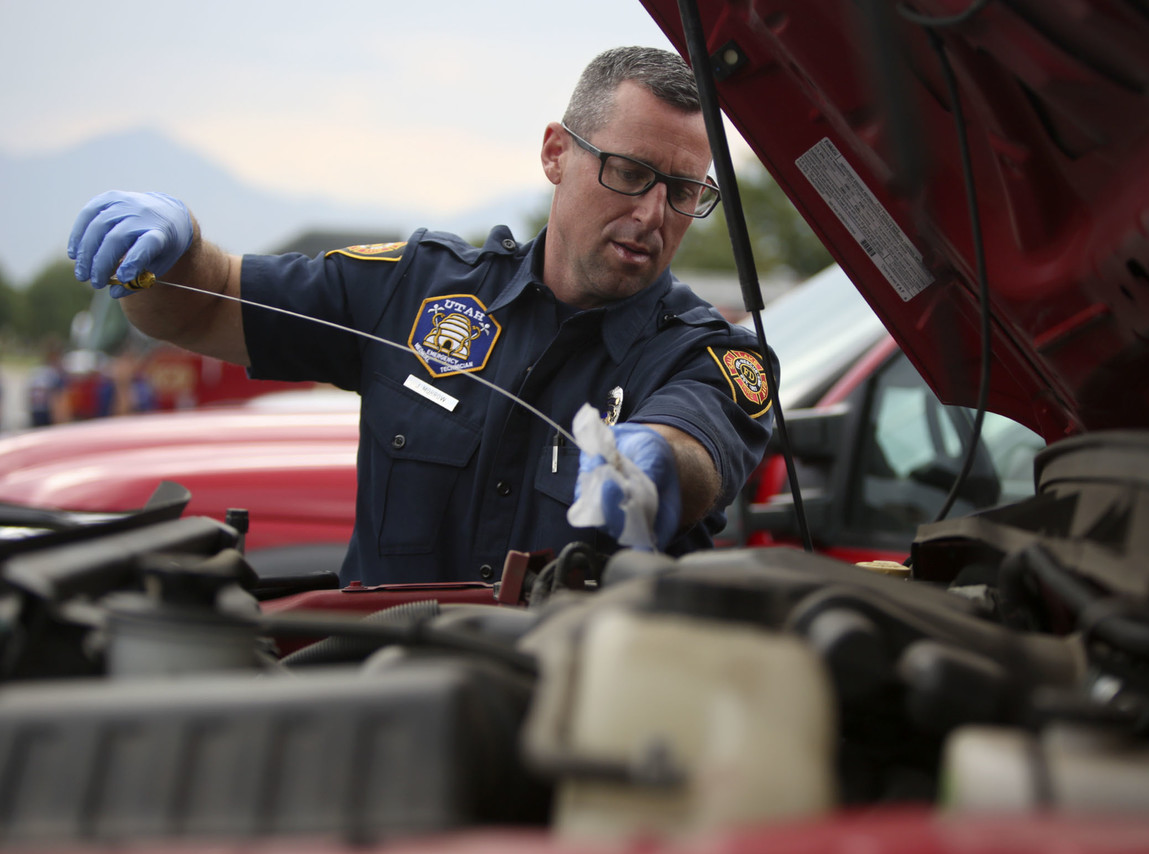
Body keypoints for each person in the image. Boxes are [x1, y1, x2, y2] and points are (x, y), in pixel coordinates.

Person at [66, 46, 775, 586]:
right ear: (557, 153)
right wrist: (168, 254)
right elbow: (200, 307)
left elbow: (693, 453)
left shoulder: (710, 357)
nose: (653, 213)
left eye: (684, 190)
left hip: (570, 732)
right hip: (379, 691)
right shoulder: (415, 290)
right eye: (629, 172)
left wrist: (652, 467)